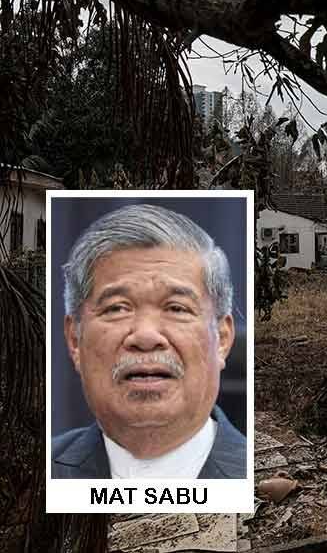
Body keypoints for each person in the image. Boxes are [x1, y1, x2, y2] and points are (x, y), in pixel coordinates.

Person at [52, 204, 246, 479]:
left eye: (176, 308)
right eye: (117, 308)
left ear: (223, 339)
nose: (145, 336)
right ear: (74, 340)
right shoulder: (28, 480)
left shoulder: (260, 477)